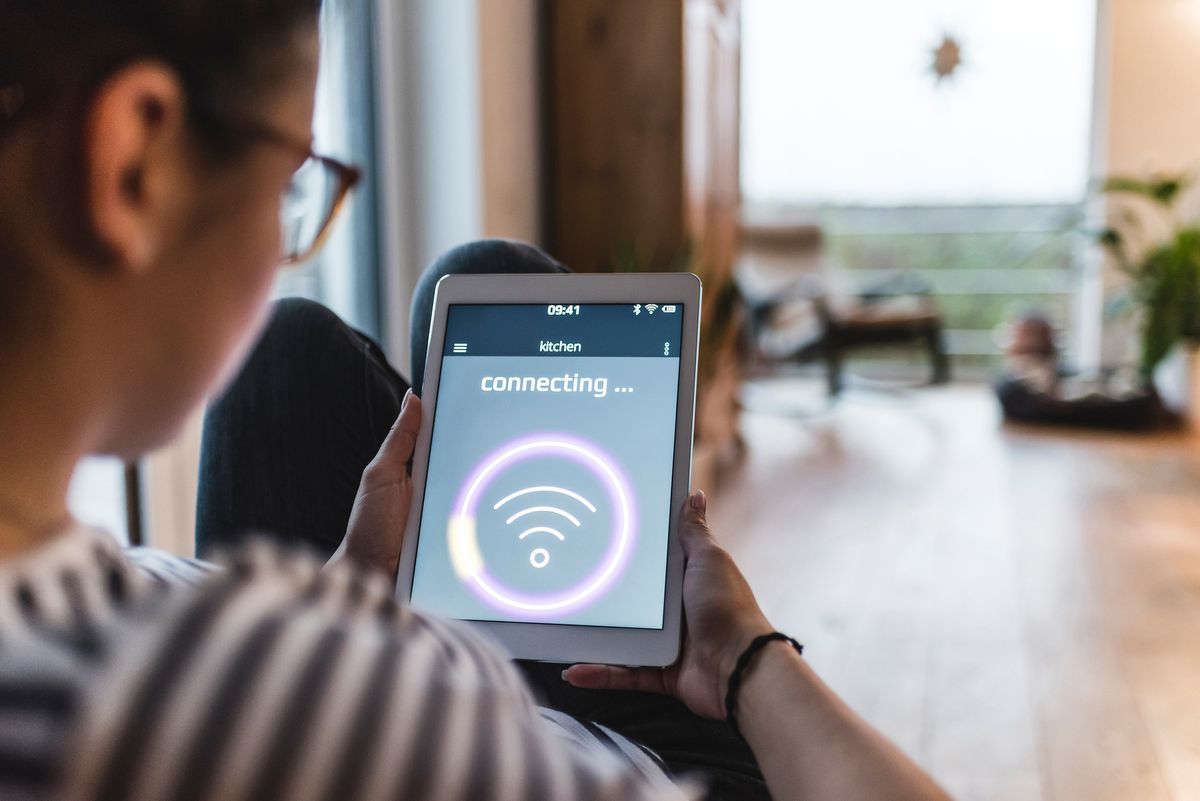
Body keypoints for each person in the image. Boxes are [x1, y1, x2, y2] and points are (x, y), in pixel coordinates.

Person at [0, 1, 954, 799]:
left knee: (355, 321)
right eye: (292, 187)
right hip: (640, 743)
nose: (286, 239)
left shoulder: (90, 624)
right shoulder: (366, 738)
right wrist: (743, 654)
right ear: (133, 166)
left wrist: (343, 600)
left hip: (378, 645)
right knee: (481, 283)